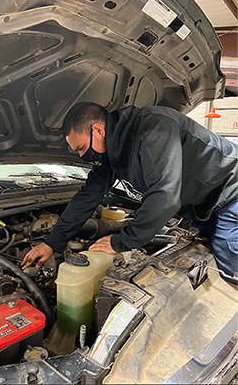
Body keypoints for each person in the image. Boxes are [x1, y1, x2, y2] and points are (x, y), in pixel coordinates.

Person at [21, 102, 238, 283]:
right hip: (203, 207)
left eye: (80, 147)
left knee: (231, 269)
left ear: (97, 130)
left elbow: (164, 196)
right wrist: (53, 242)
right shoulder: (112, 151)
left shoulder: (153, 128)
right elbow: (89, 195)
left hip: (230, 193)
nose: (81, 156)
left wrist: (121, 242)